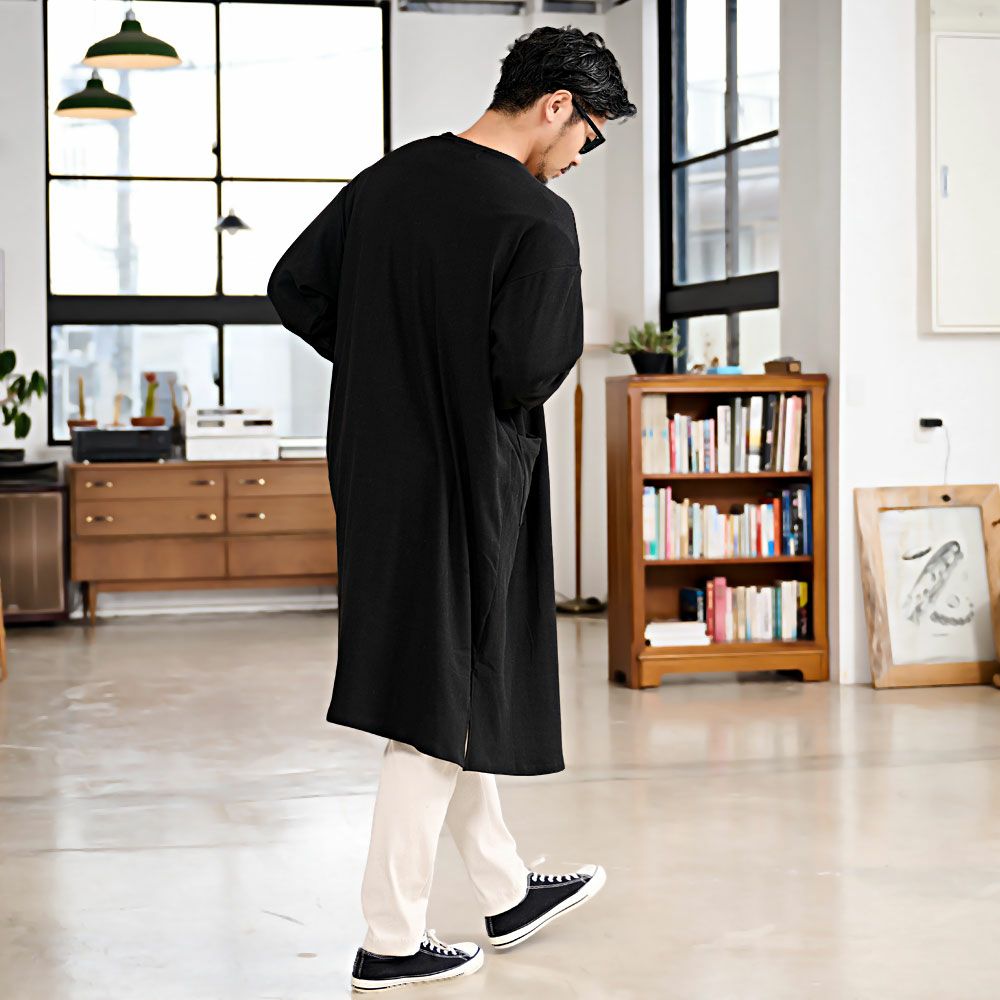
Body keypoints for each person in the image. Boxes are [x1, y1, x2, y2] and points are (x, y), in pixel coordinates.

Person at [267, 25, 636, 992]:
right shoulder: (537, 219)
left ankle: (506, 889)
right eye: (588, 135)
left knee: (444, 669)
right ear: (557, 105)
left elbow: (294, 288)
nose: (580, 156)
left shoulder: (389, 180)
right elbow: (527, 370)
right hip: (469, 475)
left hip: (374, 466)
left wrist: (386, 357)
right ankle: (389, 941)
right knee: (440, 693)